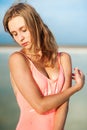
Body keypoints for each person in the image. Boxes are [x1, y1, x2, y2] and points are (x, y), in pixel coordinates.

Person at [3, 3, 85, 130]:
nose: (20, 37)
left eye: (23, 30)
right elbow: (40, 106)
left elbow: (63, 105)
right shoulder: (18, 60)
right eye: (14, 33)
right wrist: (76, 88)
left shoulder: (64, 59)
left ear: (35, 24)